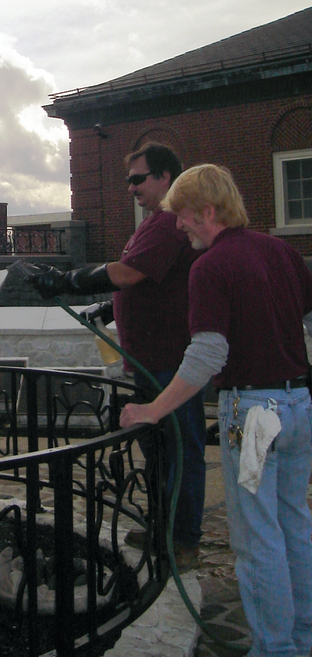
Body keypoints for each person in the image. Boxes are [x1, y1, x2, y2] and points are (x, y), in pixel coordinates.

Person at [120, 164, 312, 657]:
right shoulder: (282, 252)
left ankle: (275, 648)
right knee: (294, 523)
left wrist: (152, 410)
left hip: (253, 422)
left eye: (182, 217)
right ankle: (304, 636)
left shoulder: (211, 266)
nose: (178, 228)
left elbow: (207, 354)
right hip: (297, 407)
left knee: (256, 535)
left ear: (207, 210)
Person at [29, 142, 205, 567]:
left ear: (165, 178)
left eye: (138, 179)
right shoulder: (154, 224)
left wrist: (66, 280)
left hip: (167, 360)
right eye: (128, 180)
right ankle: (167, 525)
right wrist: (112, 307)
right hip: (151, 358)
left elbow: (128, 272)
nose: (130, 187)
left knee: (180, 446)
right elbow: (145, 281)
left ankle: (182, 541)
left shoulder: (166, 223)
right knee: (162, 448)